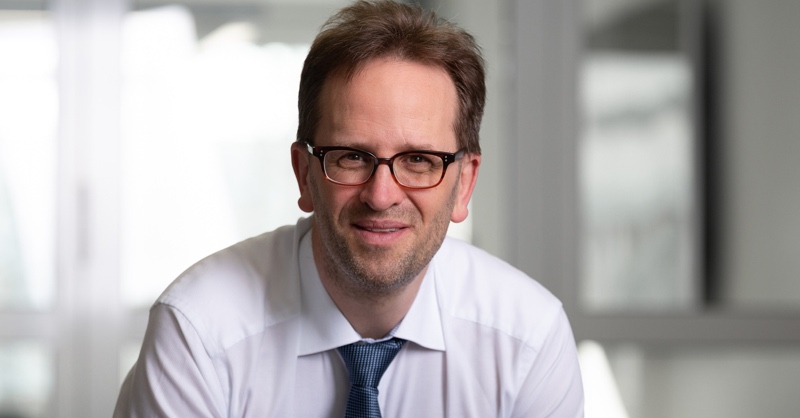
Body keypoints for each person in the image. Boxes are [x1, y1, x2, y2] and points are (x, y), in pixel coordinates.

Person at [113, 1, 584, 417]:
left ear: (464, 184)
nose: (381, 196)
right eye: (352, 157)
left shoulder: (527, 339)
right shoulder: (201, 329)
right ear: (304, 174)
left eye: (419, 160)